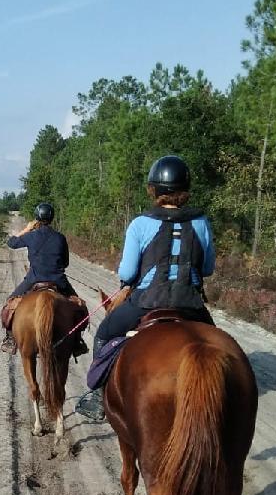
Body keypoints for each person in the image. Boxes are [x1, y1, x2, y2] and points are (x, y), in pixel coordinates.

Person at [76, 154, 215, 421]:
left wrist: (131, 280)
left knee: (104, 334)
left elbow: (127, 272)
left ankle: (98, 395)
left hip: (146, 301)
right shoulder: (201, 222)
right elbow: (207, 269)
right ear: (186, 188)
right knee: (216, 346)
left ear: (154, 189)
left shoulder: (141, 223)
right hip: (191, 304)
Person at [2, 203, 84, 352]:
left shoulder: (30, 236)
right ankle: (77, 341)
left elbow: (11, 243)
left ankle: (10, 339)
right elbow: (65, 263)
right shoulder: (60, 238)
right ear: (52, 217)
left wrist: (26, 229)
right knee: (79, 307)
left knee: (9, 304)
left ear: (37, 218)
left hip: (33, 279)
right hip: (58, 281)